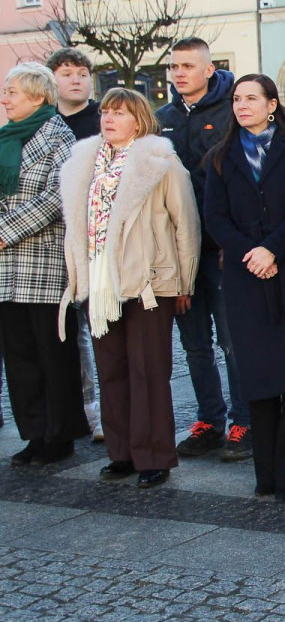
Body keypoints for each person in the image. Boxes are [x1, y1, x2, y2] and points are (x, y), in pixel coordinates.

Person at [59, 88, 200, 489]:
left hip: (149, 281)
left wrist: (184, 281)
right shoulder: (85, 163)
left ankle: (154, 455)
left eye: (119, 113)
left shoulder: (162, 163)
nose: (108, 118)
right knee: (111, 370)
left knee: (148, 371)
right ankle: (120, 452)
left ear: (138, 121)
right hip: (100, 282)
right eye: (106, 112)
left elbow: (186, 223)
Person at [204, 74, 285, 502]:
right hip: (246, 277)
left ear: (272, 104)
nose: (242, 105)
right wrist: (251, 253)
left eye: (251, 98)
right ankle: (266, 474)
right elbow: (215, 218)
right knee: (259, 377)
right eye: (236, 99)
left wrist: (272, 249)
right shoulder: (220, 156)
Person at [155, 37, 250, 462]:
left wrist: (236, 241)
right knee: (194, 343)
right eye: (174, 66)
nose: (179, 73)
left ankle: (244, 421)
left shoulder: (232, 112)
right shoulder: (163, 118)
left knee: (233, 341)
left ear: (209, 69)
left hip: (221, 248)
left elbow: (242, 181)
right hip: (179, 251)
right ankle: (209, 420)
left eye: (188, 66)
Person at [0, 63, 88, 465]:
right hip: (6, 267)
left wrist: (5, 231)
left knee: (53, 354)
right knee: (20, 357)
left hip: (45, 262)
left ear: (38, 96)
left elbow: (57, 197)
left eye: (12, 92)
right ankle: (35, 433)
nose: (5, 99)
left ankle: (60, 435)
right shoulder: (5, 137)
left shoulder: (59, 136)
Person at [47, 47, 104, 443]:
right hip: (54, 240)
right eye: (67, 73)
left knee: (99, 325)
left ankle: (99, 409)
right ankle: (76, 406)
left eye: (82, 73)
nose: (76, 80)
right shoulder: (46, 123)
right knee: (65, 329)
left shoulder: (103, 119)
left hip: (95, 236)